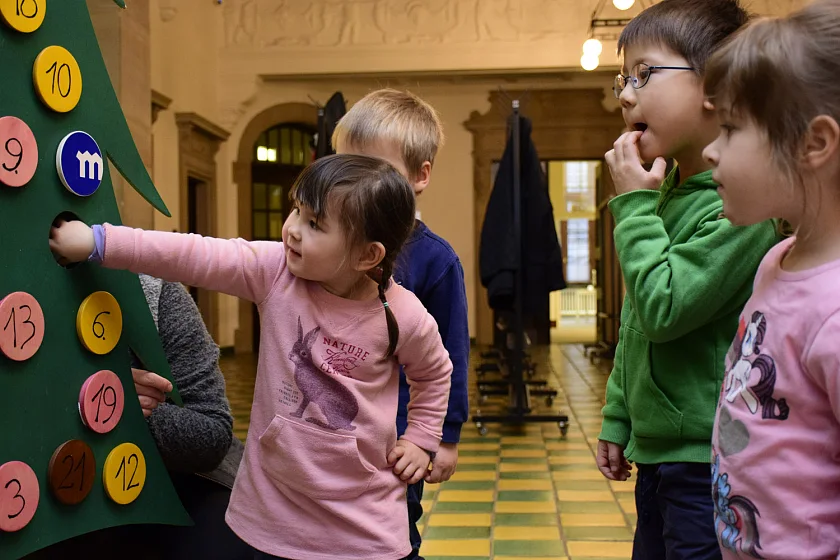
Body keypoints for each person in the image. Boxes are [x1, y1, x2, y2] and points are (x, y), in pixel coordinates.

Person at [49, 154, 453, 560]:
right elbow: (193, 254)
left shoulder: (402, 316)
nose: (292, 230)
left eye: (314, 224)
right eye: (296, 210)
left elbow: (435, 374)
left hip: (364, 528)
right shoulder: (275, 272)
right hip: (272, 518)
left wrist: (421, 439)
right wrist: (99, 242)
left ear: (368, 256)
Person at [595, 1, 779, 558]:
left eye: (644, 74)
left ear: (716, 86)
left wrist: (633, 208)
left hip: (706, 461)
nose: (625, 94)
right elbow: (634, 327)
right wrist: (618, 415)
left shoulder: (741, 211)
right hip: (658, 456)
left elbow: (663, 310)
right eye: (621, 79)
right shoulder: (664, 195)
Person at [703, 2, 840, 558]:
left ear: (814, 144)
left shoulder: (833, 309)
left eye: (731, 128)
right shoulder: (776, 258)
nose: (712, 148)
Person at [333, 88, 470, 559]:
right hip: (331, 433)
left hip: (396, 443)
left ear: (418, 176)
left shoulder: (436, 261)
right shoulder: (328, 244)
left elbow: (450, 357)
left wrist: (442, 439)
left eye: (372, 169)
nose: (353, 183)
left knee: (391, 538)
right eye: (343, 167)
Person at [25, 274, 249, 560]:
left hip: (169, 484)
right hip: (40, 495)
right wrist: (90, 398)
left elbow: (211, 436)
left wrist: (112, 407)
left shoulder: (155, 293)